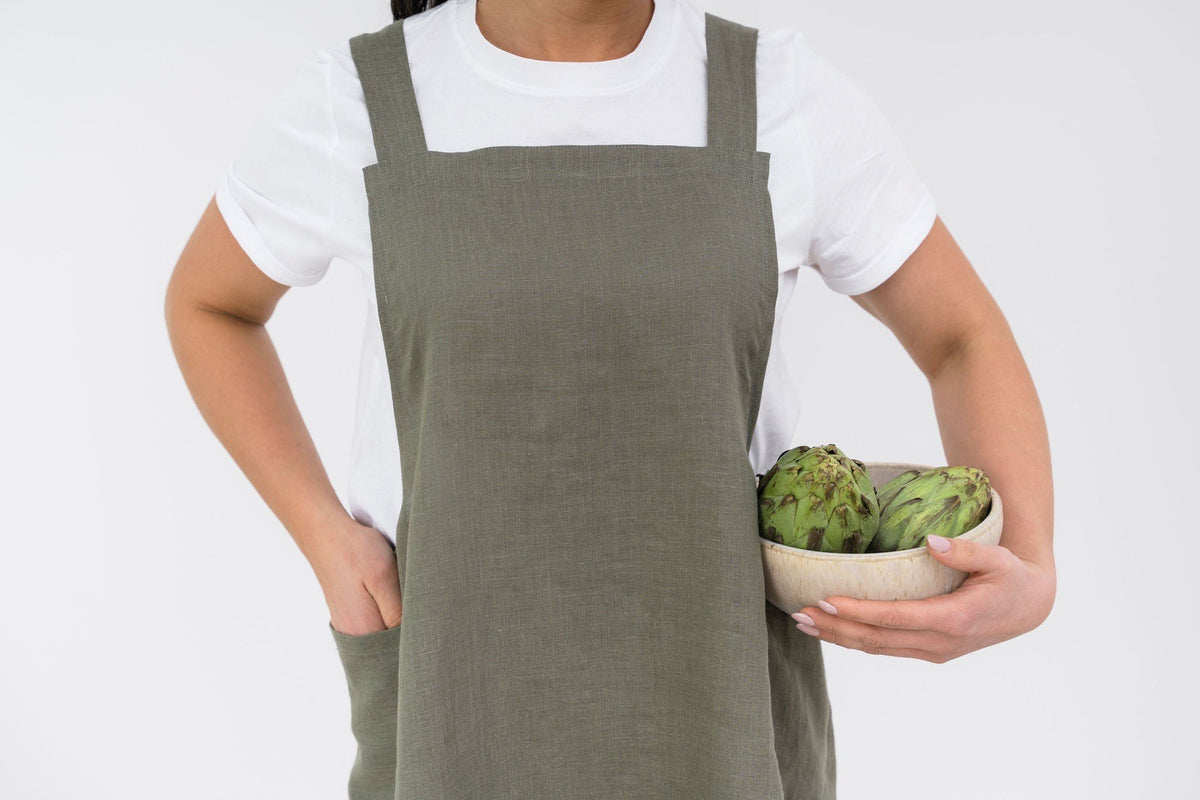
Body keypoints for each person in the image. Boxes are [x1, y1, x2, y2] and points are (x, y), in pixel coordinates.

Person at [164, 0, 1056, 797]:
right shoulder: (358, 99)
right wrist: (329, 540)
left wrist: (1029, 564)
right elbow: (210, 305)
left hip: (719, 704)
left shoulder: (781, 92)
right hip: (452, 693)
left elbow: (959, 336)